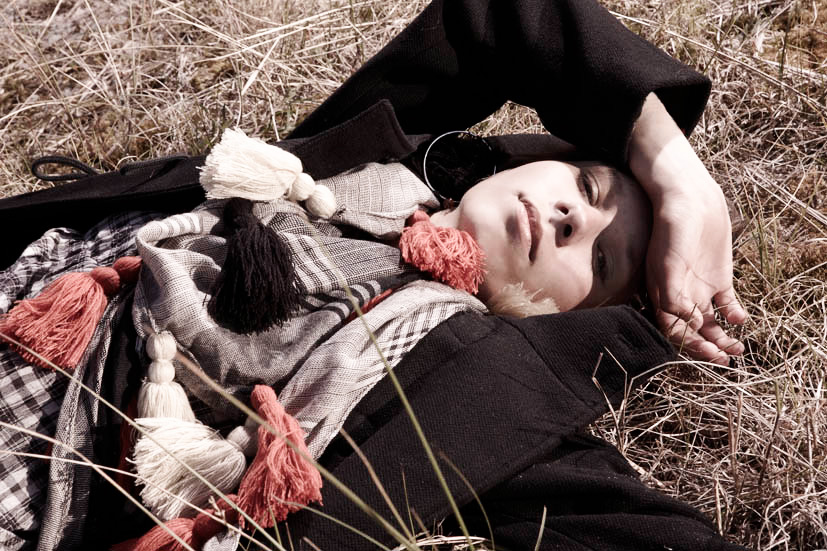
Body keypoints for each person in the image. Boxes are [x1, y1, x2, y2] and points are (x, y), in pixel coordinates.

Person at [0, 0, 749, 549]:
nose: (569, 219)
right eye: (584, 186)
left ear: (572, 318)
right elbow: (502, 18)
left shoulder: (471, 386)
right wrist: (681, 180)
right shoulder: (364, 163)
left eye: (599, 259)